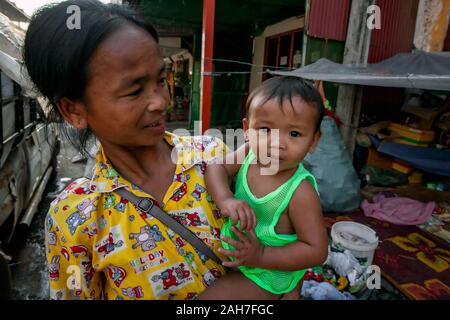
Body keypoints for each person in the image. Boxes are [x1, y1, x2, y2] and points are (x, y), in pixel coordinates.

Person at [23, 0, 229, 300]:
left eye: (161, 80)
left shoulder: (215, 158)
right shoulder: (76, 218)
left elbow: (285, 254)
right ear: (73, 110)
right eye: (134, 90)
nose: (160, 101)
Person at [200, 76, 329, 299]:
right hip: (244, 256)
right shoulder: (249, 153)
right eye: (266, 129)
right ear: (247, 130)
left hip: (270, 272)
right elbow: (216, 167)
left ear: (314, 141)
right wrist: (225, 198)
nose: (276, 143)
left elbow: (316, 251)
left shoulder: (300, 192)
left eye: (294, 133)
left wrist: (261, 255)